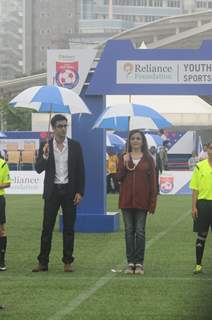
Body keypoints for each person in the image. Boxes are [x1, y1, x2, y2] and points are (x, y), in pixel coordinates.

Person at [32, 114, 85, 273]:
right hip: (52, 191)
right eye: (60, 126)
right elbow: (38, 168)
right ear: (53, 128)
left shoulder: (75, 145)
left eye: (65, 125)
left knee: (69, 228)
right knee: (46, 228)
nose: (63, 128)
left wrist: (80, 192)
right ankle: (43, 262)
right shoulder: (45, 145)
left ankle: (67, 262)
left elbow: (81, 170)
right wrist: (45, 155)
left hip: (69, 191)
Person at [117, 130, 157, 275]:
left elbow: (153, 182)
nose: (135, 141)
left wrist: (152, 202)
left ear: (142, 141)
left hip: (142, 201)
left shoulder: (148, 159)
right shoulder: (123, 157)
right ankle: (130, 263)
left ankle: (139, 263)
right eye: (133, 138)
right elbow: (119, 178)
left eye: (138, 138)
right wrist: (125, 162)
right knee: (129, 232)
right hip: (126, 201)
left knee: (140, 232)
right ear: (129, 141)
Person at [189, 141, 212, 274]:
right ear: (207, 150)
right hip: (203, 205)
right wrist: (193, 207)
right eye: (211, 148)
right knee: (202, 235)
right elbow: (195, 189)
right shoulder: (199, 166)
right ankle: (198, 265)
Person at [0, 157, 11, 271]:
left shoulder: (2, 164)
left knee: (1, 229)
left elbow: (7, 183)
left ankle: (1, 261)